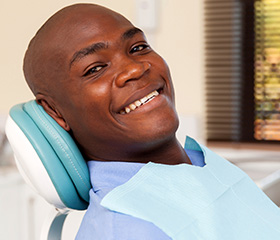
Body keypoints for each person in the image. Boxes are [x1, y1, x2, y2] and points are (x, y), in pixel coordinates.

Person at [23, 3, 280, 240]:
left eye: (137, 48)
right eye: (95, 69)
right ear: (55, 111)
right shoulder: (125, 229)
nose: (135, 68)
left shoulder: (202, 162)